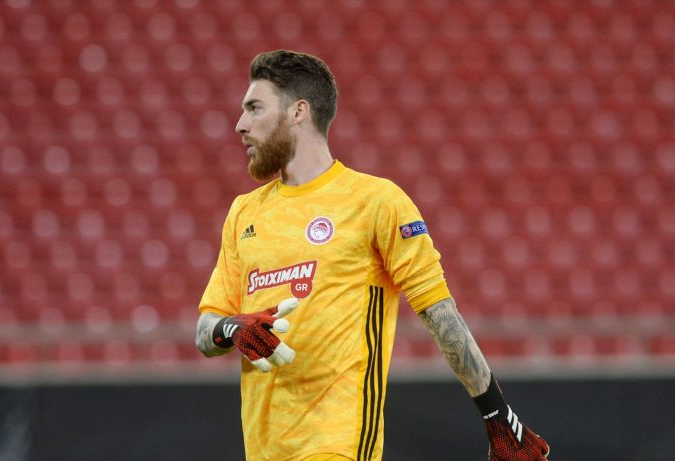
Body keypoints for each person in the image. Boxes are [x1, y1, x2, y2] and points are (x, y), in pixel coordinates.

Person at [196, 49, 550, 461]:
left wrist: (498, 417)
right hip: (263, 448)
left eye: (254, 108)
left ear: (298, 112)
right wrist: (231, 328)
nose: (240, 124)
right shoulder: (244, 213)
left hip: (339, 444)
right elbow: (206, 330)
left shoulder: (375, 202)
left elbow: (440, 314)